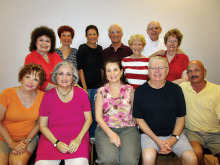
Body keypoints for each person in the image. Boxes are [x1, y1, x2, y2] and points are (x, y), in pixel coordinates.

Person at [133, 56, 197, 165]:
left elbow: (180, 117)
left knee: (191, 159)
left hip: (174, 134)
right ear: (148, 71)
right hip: (150, 135)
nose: (157, 71)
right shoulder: (140, 91)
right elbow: (138, 119)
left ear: (167, 70)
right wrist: (157, 140)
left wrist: (173, 139)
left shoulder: (176, 90)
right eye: (153, 68)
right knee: (148, 158)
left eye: (161, 68)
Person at [35, 61, 92, 165]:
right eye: (60, 74)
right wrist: (56, 143)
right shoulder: (47, 96)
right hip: (51, 139)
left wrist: (78, 140)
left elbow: (89, 119)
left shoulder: (82, 94)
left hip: (77, 138)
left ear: (73, 78)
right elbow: (42, 126)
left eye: (68, 74)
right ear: (55, 77)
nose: (64, 77)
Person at [95, 57, 141, 165]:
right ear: (105, 74)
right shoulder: (101, 92)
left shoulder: (130, 90)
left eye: (115, 69)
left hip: (128, 129)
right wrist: (111, 134)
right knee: (108, 160)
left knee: (129, 161)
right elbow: (98, 117)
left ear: (121, 72)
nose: (112, 73)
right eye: (109, 70)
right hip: (105, 129)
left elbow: (136, 114)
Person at [0, 63, 46, 165]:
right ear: (21, 77)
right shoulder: (6, 94)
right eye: (27, 76)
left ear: (39, 83)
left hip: (27, 138)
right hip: (3, 138)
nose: (30, 81)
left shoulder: (43, 97)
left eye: (35, 79)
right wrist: (12, 144)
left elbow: (39, 123)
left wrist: (27, 141)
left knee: (18, 163)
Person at [180, 60, 220, 165]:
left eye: (197, 70)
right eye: (190, 71)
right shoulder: (183, 87)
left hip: (215, 133)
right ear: (187, 74)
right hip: (192, 132)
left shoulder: (217, 90)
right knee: (196, 153)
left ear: (204, 72)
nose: (193, 74)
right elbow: (165, 85)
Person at [76, 25, 103, 138]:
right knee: (88, 113)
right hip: (86, 87)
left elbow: (101, 68)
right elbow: (80, 69)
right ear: (86, 36)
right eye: (90, 34)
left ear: (98, 35)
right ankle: (89, 136)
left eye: (94, 34)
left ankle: (94, 136)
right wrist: (85, 88)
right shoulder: (82, 48)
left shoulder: (100, 48)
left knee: (97, 112)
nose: (92, 36)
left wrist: (102, 85)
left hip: (97, 86)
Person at [25, 26, 62, 91]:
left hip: (58, 93)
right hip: (39, 95)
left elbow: (64, 72)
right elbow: (35, 81)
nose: (44, 43)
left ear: (51, 43)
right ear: (35, 41)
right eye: (41, 40)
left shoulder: (56, 55)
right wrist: (58, 89)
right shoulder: (30, 58)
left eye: (47, 41)